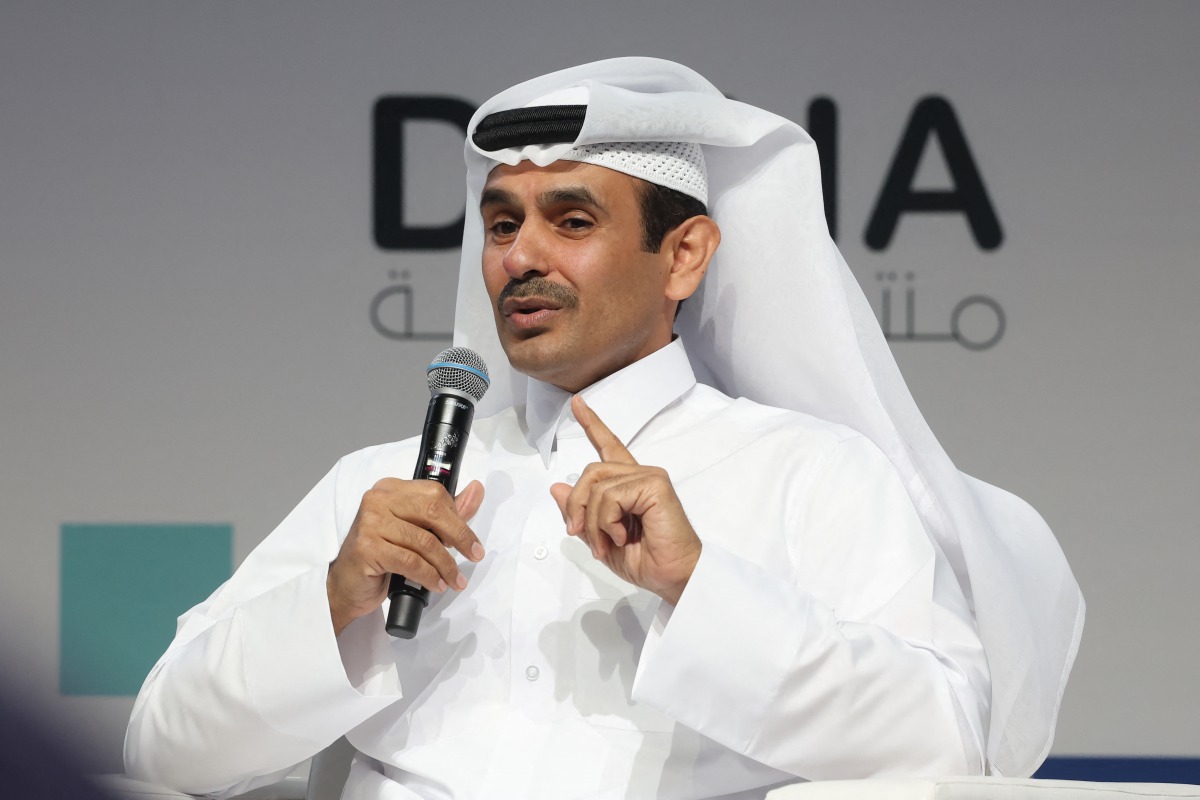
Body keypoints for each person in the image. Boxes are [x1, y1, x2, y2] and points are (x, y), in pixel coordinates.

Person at [124, 58, 1084, 799]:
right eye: (502, 224)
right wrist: (335, 599)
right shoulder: (379, 488)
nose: (520, 257)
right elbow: (161, 745)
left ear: (685, 255)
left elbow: (948, 741)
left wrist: (698, 588)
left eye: (572, 221)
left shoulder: (810, 472)